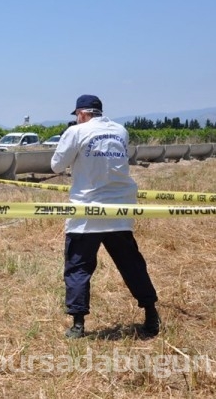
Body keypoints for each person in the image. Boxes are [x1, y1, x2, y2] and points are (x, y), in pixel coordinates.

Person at [50, 95, 159, 339]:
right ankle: (151, 314)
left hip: (86, 210)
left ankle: (78, 325)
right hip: (120, 209)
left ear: (80, 113)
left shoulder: (76, 132)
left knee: (78, 267)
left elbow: (56, 166)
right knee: (131, 264)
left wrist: (67, 137)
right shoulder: (120, 131)